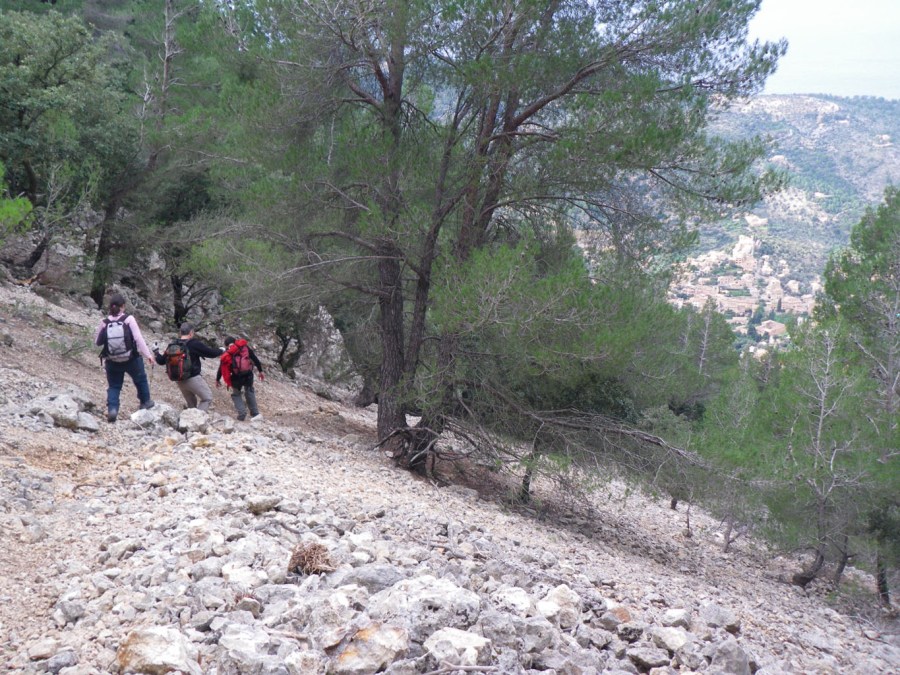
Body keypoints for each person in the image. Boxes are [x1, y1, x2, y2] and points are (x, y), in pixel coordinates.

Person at [94, 293, 155, 423]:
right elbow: (138, 338)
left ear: (110, 307)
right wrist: (148, 355)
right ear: (123, 306)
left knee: (114, 386)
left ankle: (112, 410)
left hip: (112, 361)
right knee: (141, 380)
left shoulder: (104, 322)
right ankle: (145, 403)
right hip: (131, 359)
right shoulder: (129, 319)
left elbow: (97, 342)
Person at [154, 322, 224, 411]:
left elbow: (161, 361)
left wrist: (156, 351)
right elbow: (211, 353)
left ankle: (189, 421)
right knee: (207, 398)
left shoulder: (173, 344)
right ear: (191, 333)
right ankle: (196, 420)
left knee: (191, 404)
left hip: (179, 379)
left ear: (180, 333)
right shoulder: (194, 344)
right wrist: (221, 350)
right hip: (193, 378)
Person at [216, 335, 265, 421]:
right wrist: (260, 371)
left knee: (236, 394)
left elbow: (221, 368)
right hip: (248, 374)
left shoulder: (228, 352)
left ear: (226, 345)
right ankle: (255, 413)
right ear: (235, 342)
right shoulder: (244, 348)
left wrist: (217, 379)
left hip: (236, 377)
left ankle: (242, 413)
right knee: (249, 391)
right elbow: (255, 359)